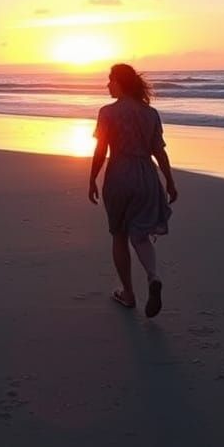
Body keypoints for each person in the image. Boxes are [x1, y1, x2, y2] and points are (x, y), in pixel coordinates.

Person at [89, 63, 178, 317]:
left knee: (119, 234)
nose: (107, 85)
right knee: (140, 235)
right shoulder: (150, 113)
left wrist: (92, 178)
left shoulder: (107, 112)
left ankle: (128, 294)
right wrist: (169, 181)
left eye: (110, 80)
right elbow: (159, 151)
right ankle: (153, 277)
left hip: (119, 175)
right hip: (146, 177)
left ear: (120, 82)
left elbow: (100, 150)